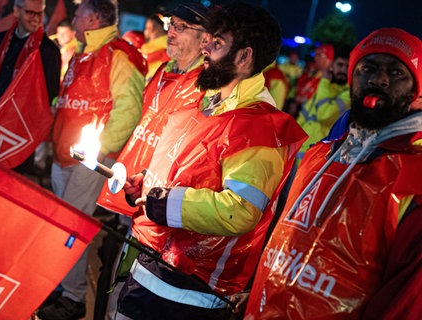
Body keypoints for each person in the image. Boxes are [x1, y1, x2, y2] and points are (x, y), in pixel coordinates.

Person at [116, 3, 307, 320]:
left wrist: (167, 203)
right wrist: (147, 183)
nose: (205, 45)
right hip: (149, 268)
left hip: (190, 294)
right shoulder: (208, 102)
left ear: (244, 57)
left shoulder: (259, 125)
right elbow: (191, 171)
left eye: (217, 42)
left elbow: (240, 211)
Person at [244, 28, 422, 319]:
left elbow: (403, 303)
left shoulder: (413, 181)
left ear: (417, 92)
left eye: (396, 72)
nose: (379, 79)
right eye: (368, 68)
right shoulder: (319, 155)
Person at [94, 3, 211, 319]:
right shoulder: (164, 71)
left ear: (206, 40)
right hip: (132, 187)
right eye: (171, 23)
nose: (170, 31)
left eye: (182, 27)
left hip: (159, 205)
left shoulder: (209, 86)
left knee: (132, 284)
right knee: (115, 269)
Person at [37, 0, 147, 319]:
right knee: (63, 228)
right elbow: (68, 101)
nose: (73, 19)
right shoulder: (84, 53)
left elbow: (128, 110)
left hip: (88, 159)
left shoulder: (119, 54)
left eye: (78, 14)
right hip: (64, 155)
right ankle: (61, 289)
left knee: (70, 228)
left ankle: (72, 298)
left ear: (94, 18)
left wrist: (97, 154)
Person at [0, 0, 60, 173]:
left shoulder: (47, 50)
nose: (36, 18)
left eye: (40, 13)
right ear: (17, 11)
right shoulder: (1, 40)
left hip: (17, 138)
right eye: (30, 12)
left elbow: (49, 94)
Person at [296, 43, 352, 161]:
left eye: (347, 66)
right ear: (332, 65)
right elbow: (304, 115)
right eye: (340, 65)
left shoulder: (349, 94)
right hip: (300, 152)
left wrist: (324, 83)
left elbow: (323, 115)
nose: (343, 70)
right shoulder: (326, 86)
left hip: (319, 157)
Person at [294, 43, 334, 108]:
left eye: (319, 55)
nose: (315, 57)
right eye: (315, 54)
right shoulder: (311, 73)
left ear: (329, 59)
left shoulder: (332, 79)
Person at [141, 13, 170, 83]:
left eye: (146, 28)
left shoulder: (147, 48)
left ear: (151, 27)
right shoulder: (171, 43)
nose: (144, 31)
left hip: (150, 83)